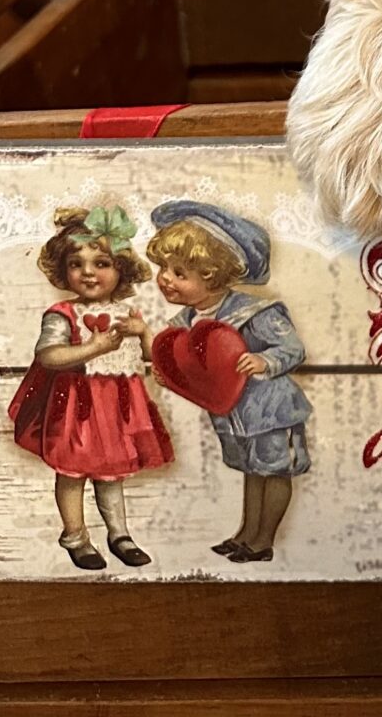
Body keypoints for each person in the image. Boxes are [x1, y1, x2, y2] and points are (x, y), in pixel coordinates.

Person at [133, 200, 311, 562]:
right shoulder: (186, 322)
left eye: (179, 272)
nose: (166, 278)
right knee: (251, 472)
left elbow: (292, 348)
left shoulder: (255, 311)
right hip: (233, 414)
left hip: (271, 409)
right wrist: (167, 372)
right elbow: (179, 361)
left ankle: (263, 541)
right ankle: (246, 533)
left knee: (273, 471)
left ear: (212, 276)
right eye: (164, 268)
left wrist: (265, 359)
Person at [8, 204, 173, 570]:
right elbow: (48, 356)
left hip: (117, 408)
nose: (88, 272)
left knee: (111, 472)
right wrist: (92, 348)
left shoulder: (128, 315)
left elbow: (152, 357)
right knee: (72, 472)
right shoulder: (63, 314)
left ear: (121, 269)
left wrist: (144, 333)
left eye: (101, 263)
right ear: (63, 271)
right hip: (76, 407)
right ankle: (76, 536)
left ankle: (119, 534)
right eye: (76, 264)